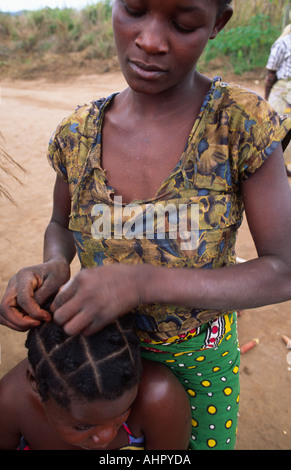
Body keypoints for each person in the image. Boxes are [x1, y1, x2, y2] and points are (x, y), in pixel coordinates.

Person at [1, 0, 291, 450]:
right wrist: (54, 265)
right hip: (95, 361)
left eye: (183, 22)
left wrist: (141, 282)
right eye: (134, 10)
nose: (151, 41)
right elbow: (61, 223)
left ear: (218, 23)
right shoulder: (77, 133)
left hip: (197, 358)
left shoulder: (240, 127)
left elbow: (283, 269)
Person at [0, 312, 191, 450]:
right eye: (83, 426)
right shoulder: (10, 404)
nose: (106, 437)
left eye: (123, 412)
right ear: (35, 383)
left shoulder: (158, 398)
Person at [265, 13, 291, 175]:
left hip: (283, 88)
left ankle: (280, 167)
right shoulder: (283, 42)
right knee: (277, 126)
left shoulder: (284, 42)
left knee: (277, 127)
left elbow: (270, 75)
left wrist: (267, 97)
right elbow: (271, 74)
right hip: (283, 89)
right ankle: (274, 167)